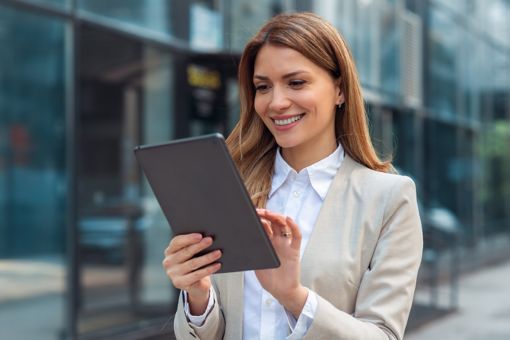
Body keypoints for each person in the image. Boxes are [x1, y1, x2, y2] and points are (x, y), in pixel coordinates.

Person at [163, 12, 422, 340]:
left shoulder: (388, 199)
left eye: (296, 82)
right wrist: (198, 295)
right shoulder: (228, 190)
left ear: (339, 90)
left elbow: (383, 335)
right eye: (263, 87)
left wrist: (294, 297)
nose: (277, 102)